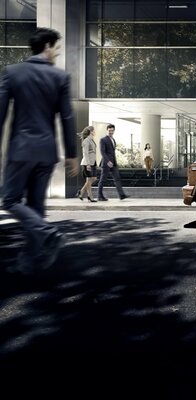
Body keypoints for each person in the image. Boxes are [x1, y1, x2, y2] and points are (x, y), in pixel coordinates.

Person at [0, 27, 78, 273]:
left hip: (21, 149)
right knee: (35, 207)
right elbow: (67, 117)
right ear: (46, 46)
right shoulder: (60, 78)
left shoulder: (12, 73)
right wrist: (72, 154)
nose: (56, 53)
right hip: (46, 152)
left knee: (10, 199)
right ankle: (32, 260)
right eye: (56, 48)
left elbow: (0, 114)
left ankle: (47, 234)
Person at [97, 123, 129, 201]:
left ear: (114, 131)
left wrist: (114, 162)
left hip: (113, 163)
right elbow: (102, 152)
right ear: (107, 130)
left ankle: (121, 195)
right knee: (102, 180)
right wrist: (108, 161)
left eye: (112, 130)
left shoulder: (113, 140)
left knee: (117, 179)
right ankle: (99, 196)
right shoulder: (103, 139)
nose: (111, 132)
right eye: (109, 130)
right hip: (106, 163)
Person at [76, 126, 97, 202]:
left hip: (93, 162)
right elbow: (85, 153)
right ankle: (90, 196)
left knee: (94, 178)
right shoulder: (86, 141)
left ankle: (81, 192)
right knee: (88, 180)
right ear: (91, 131)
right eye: (94, 130)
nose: (95, 132)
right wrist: (88, 164)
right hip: (87, 163)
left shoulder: (91, 140)